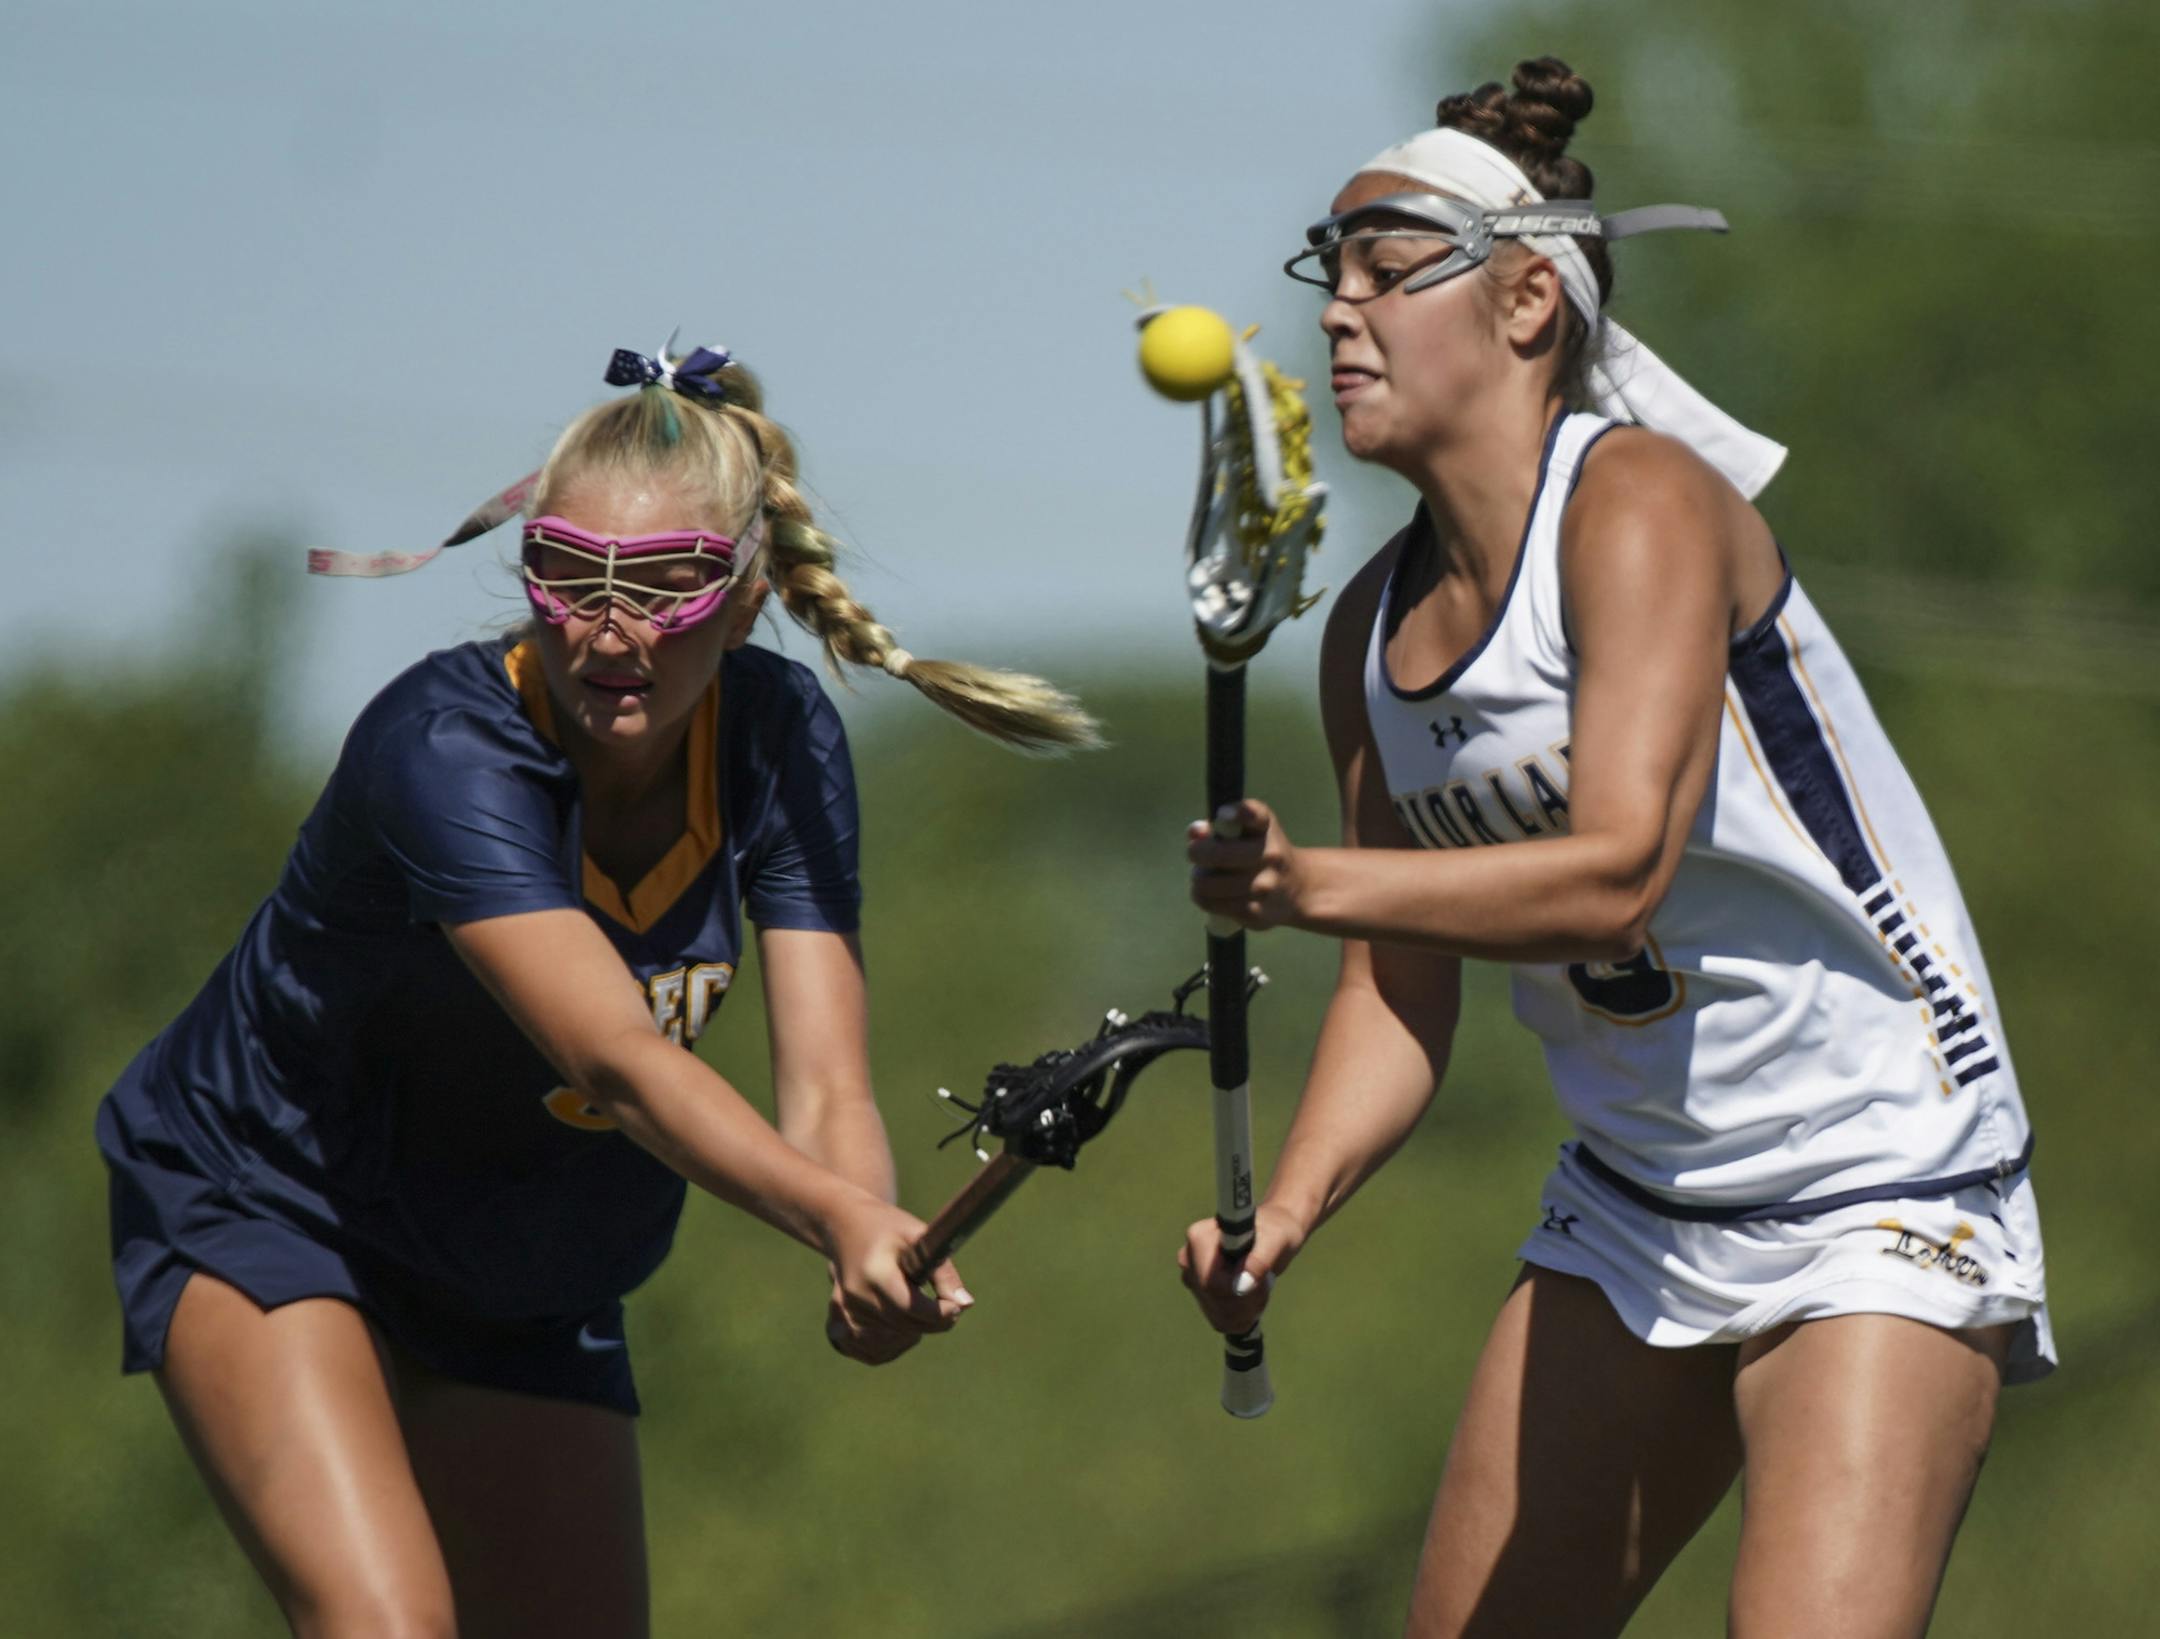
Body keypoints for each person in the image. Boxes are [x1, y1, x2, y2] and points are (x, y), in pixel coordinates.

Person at [1178, 58, 2050, 1639]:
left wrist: (1307, 882)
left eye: (1386, 273)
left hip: (1881, 1174)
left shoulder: (1641, 501)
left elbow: (1616, 866)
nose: (1335, 314)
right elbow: (1400, 984)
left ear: (1526, 305)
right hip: (1638, 1200)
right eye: (1333, 274)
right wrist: (1291, 1205)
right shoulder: (1366, 634)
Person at [96, 340, 1098, 1638]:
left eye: (667, 584)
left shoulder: (782, 738)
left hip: (527, 1260)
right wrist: (834, 1220)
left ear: (743, 601)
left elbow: (829, 1081)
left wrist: (866, 1232)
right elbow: (618, 1062)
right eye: (567, 575)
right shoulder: (442, 753)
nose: (609, 628)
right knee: (389, 1627)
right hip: (276, 1199)